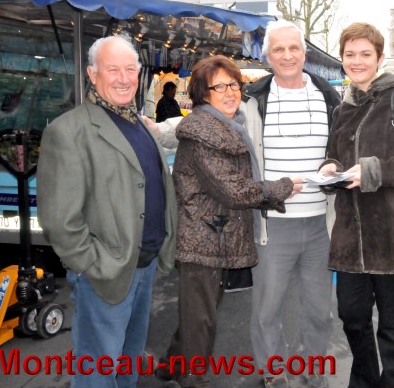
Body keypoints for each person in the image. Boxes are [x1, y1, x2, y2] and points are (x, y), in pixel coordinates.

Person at [36, 34, 177, 388]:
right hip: (106, 272)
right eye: (113, 69)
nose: (123, 78)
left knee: (128, 364)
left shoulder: (139, 124)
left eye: (130, 69)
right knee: (98, 371)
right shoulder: (68, 131)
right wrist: (92, 264)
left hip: (143, 267)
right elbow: (58, 219)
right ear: (92, 74)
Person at [159, 55, 301, 388]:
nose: (230, 92)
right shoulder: (205, 133)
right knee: (201, 320)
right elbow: (233, 191)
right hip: (203, 240)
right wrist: (281, 187)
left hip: (214, 236)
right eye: (219, 87)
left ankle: (170, 366)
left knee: (199, 313)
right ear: (202, 94)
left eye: (233, 85)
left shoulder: (227, 125)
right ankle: (192, 380)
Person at [318, 22, 394, 388]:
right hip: (350, 236)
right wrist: (330, 167)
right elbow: (336, 153)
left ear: (380, 57)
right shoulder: (343, 108)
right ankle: (366, 380)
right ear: (342, 58)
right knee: (352, 316)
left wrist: (374, 171)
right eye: (350, 54)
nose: (357, 61)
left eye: (365, 54)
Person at [243, 19, 341, 388]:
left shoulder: (330, 98)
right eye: (279, 49)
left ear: (304, 53)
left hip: (320, 225)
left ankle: (313, 369)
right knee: (267, 310)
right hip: (272, 225)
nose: (287, 55)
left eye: (294, 48)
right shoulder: (252, 100)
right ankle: (273, 372)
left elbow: (344, 148)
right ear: (268, 56)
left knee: (319, 311)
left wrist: (336, 164)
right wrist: (160, 129)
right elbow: (213, 122)